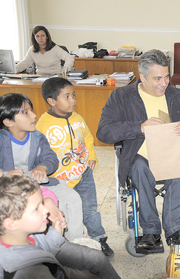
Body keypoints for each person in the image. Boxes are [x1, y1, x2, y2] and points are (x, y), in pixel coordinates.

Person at [97, 49, 180, 251]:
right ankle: (150, 231)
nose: (164, 83)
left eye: (166, 77)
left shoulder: (177, 95)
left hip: (171, 155)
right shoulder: (121, 97)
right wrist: (139, 127)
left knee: (179, 165)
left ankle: (175, 229)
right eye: (157, 78)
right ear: (142, 77)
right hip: (139, 156)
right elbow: (103, 132)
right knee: (139, 167)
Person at [0, 93, 84, 242]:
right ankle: (50, 239)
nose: (34, 116)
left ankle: (76, 240)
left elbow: (51, 158)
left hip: (38, 183)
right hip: (10, 190)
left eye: (31, 110)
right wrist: (3, 173)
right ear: (8, 121)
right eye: (26, 112)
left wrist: (43, 167)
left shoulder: (38, 137)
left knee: (72, 198)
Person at [36, 77, 114, 257]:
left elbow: (87, 137)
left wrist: (91, 156)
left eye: (74, 95)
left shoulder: (78, 118)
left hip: (83, 174)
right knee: (67, 211)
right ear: (52, 101)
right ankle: (71, 243)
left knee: (90, 209)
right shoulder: (42, 126)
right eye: (67, 97)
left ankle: (99, 239)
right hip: (61, 180)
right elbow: (40, 153)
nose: (73, 100)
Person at [0, 175, 121, 279]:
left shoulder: (24, 236)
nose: (45, 211)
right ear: (11, 223)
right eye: (36, 208)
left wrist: (56, 234)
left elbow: (43, 247)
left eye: (42, 203)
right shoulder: (28, 272)